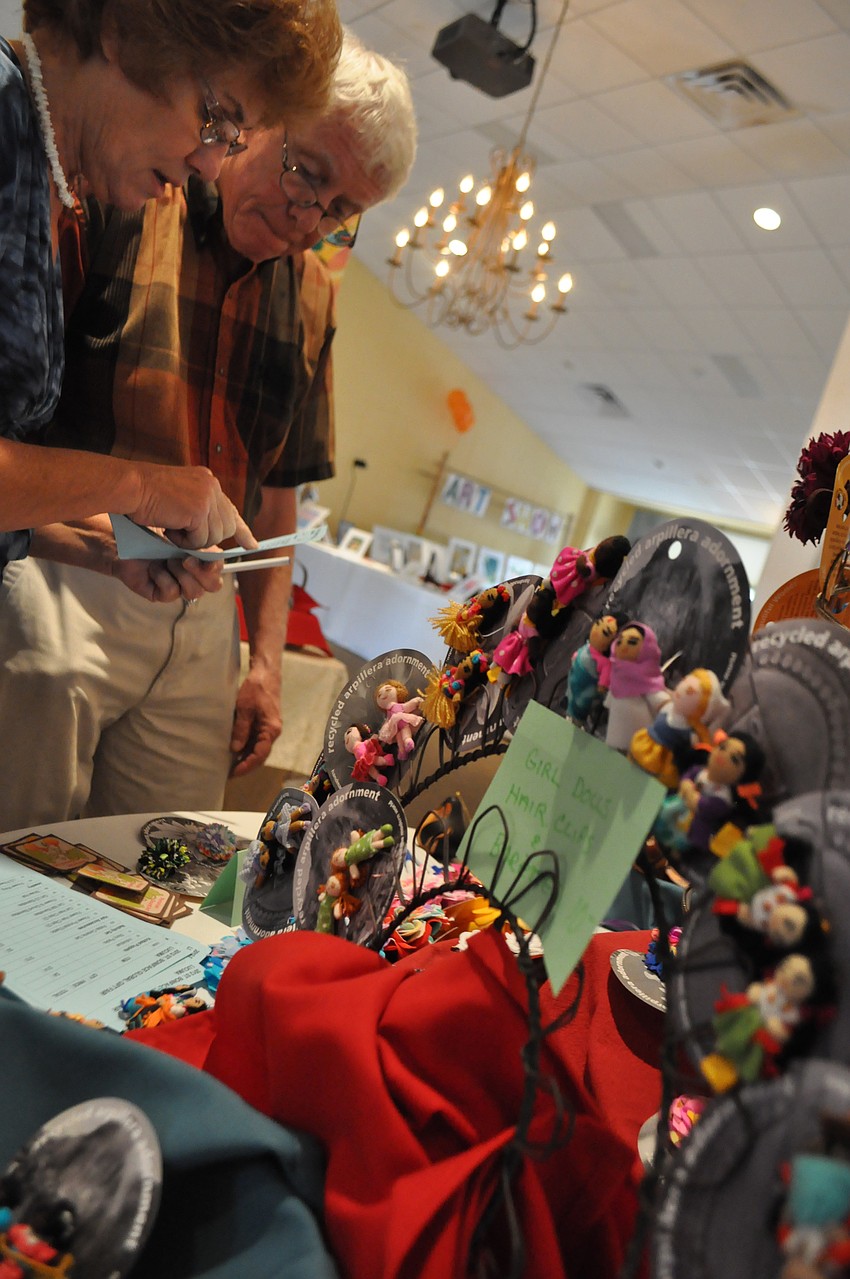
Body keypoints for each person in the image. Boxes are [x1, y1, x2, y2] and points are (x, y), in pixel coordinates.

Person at [0, 34, 417, 826]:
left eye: (338, 212)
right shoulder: (129, 192)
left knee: (168, 864)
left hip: (199, 609)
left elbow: (279, 493)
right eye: (306, 174)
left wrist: (264, 662)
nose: (306, 217)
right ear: (259, 123)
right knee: (22, 841)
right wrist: (117, 522)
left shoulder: (313, 302)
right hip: (67, 576)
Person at [0, 0, 341, 570]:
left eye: (231, 141)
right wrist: (138, 485)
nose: (210, 167)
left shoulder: (36, 163)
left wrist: (103, 549)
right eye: (217, 120)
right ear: (126, 31)